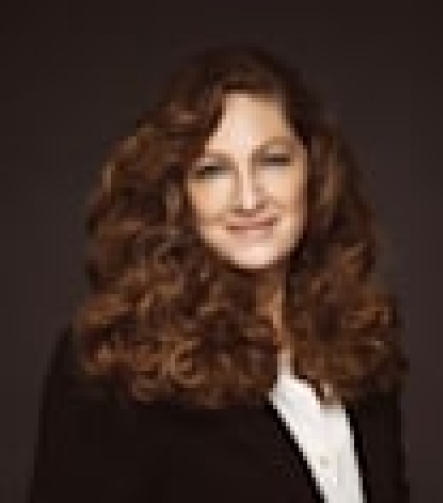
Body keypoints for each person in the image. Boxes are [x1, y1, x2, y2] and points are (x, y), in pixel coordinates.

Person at [28, 45, 410, 503]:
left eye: (273, 160)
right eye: (212, 170)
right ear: (178, 192)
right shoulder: (114, 361)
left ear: (314, 171)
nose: (248, 199)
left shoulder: (358, 341)